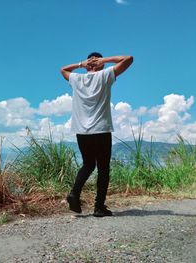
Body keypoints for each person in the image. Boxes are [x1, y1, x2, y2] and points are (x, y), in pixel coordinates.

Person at [60, 52, 133, 217]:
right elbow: (128, 59)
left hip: (82, 131)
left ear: (87, 65)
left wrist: (80, 64)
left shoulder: (77, 79)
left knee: (88, 165)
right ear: (101, 64)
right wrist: (104, 61)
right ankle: (99, 207)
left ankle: (74, 194)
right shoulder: (105, 75)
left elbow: (63, 69)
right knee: (103, 168)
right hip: (101, 130)